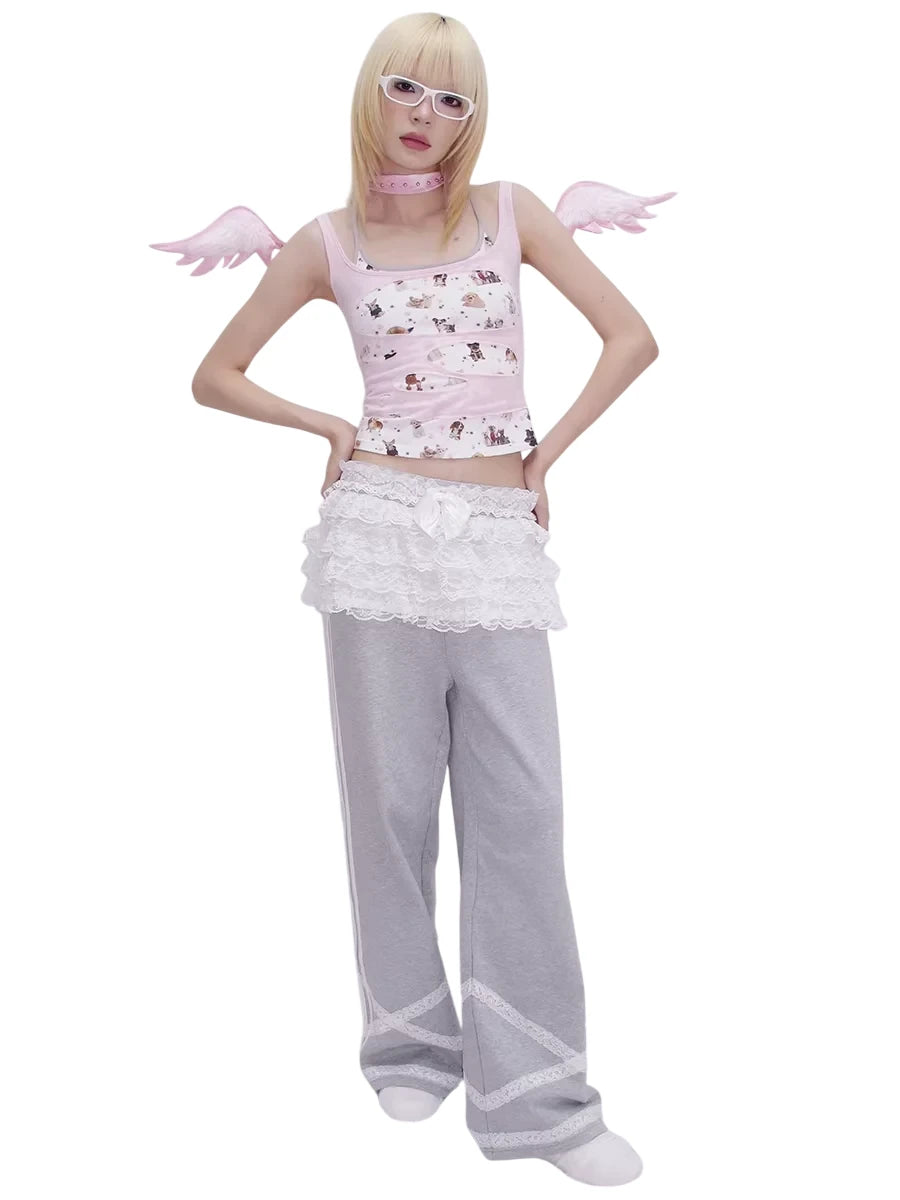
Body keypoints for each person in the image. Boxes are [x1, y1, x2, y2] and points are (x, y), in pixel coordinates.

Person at [190, 12, 658, 1187]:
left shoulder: (510, 213)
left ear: (473, 118)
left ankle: (541, 1097)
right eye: (407, 86)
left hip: (496, 538)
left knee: (522, 812)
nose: (427, 114)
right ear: (372, 92)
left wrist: (545, 460)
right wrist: (325, 424)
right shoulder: (328, 241)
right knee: (389, 801)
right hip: (378, 533)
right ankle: (408, 1039)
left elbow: (631, 337)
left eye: (454, 97)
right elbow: (213, 374)